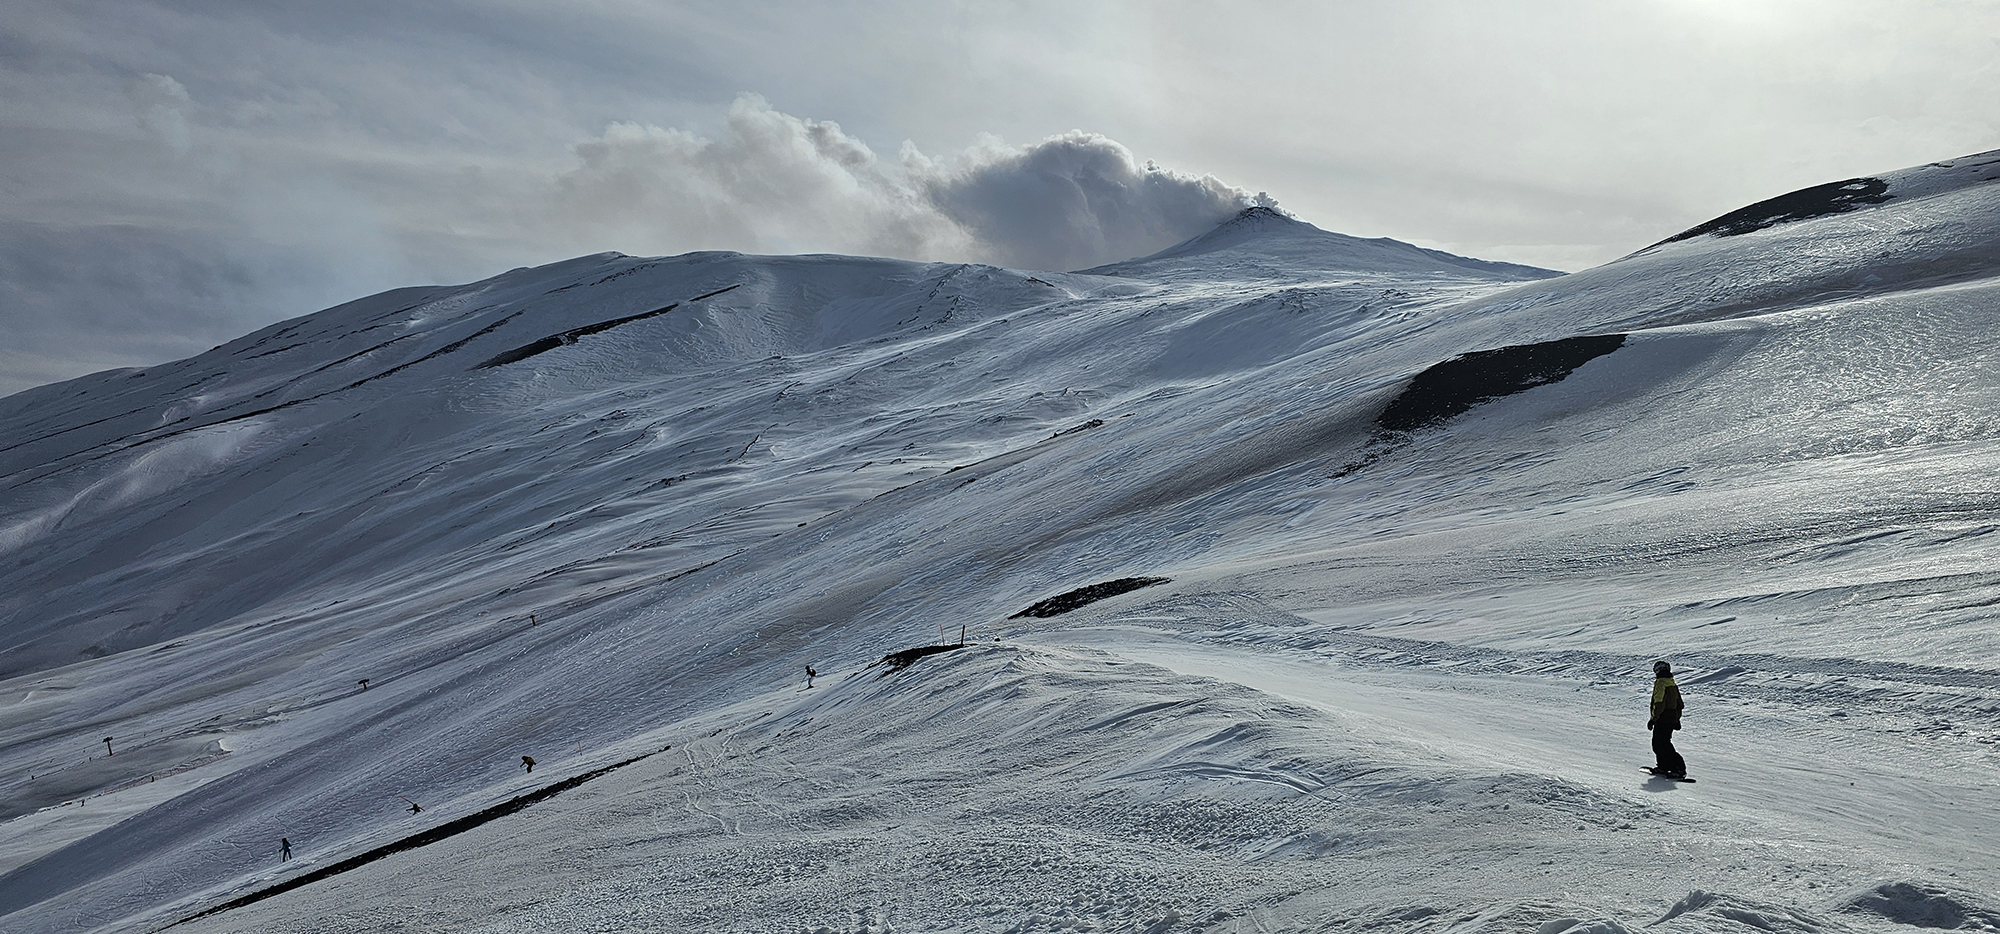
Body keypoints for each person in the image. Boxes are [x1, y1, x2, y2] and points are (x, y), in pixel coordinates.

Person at [1648, 660, 1687, 778]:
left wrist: (1653, 719)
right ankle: (1664, 766)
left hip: (1662, 718)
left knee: (1660, 744)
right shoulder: (1672, 683)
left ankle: (1679, 768)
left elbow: (1659, 703)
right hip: (1670, 718)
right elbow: (1679, 703)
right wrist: (1676, 719)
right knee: (1663, 743)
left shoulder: (1660, 683)